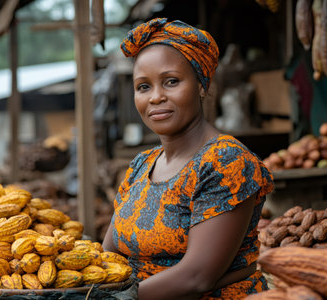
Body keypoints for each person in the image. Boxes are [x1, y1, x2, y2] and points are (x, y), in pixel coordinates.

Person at [103, 18, 274, 299]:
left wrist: (115, 299)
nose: (156, 97)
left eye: (171, 82)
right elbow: (109, 254)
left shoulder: (225, 162)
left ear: (201, 86)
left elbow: (198, 276)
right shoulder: (141, 165)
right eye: (143, 87)